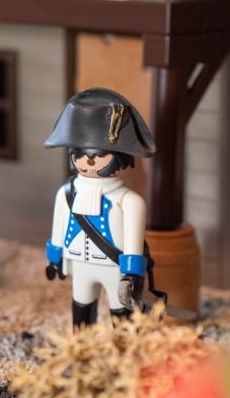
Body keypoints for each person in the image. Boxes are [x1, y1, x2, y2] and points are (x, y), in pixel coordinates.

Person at [43, 87, 156, 327]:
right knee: (81, 309)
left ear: (118, 157)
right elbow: (58, 228)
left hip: (114, 268)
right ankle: (81, 346)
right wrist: (54, 258)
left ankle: (122, 348)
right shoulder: (66, 194)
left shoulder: (129, 201)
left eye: (99, 154)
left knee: (121, 313)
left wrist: (132, 273)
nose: (89, 160)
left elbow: (133, 243)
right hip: (79, 264)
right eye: (80, 154)